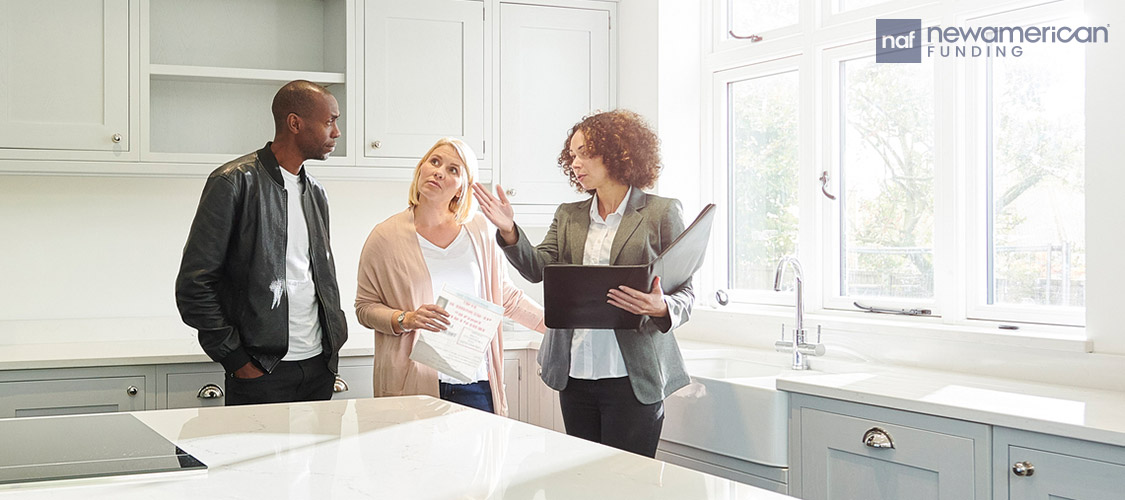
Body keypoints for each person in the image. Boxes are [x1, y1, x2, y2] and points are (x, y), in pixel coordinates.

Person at [472, 109, 694, 457]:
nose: (575, 162)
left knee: (629, 485)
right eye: (572, 154)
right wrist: (509, 231)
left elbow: (685, 292)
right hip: (574, 374)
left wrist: (662, 305)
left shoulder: (661, 213)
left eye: (585, 152)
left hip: (632, 377)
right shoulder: (568, 215)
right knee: (584, 483)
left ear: (620, 152)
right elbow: (538, 268)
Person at [175, 80, 348, 406]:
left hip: (318, 367)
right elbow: (194, 285)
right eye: (330, 121)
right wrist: (236, 360)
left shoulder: (316, 193)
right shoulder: (233, 182)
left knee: (320, 458)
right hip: (261, 371)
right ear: (295, 123)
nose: (337, 132)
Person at [355, 137, 545, 415]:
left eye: (454, 169)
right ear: (421, 168)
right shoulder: (385, 236)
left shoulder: (480, 231)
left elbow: (507, 298)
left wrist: (561, 328)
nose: (439, 171)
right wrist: (405, 319)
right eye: (434, 161)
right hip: (412, 383)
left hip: (475, 383)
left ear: (462, 189)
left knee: (481, 459)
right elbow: (364, 308)